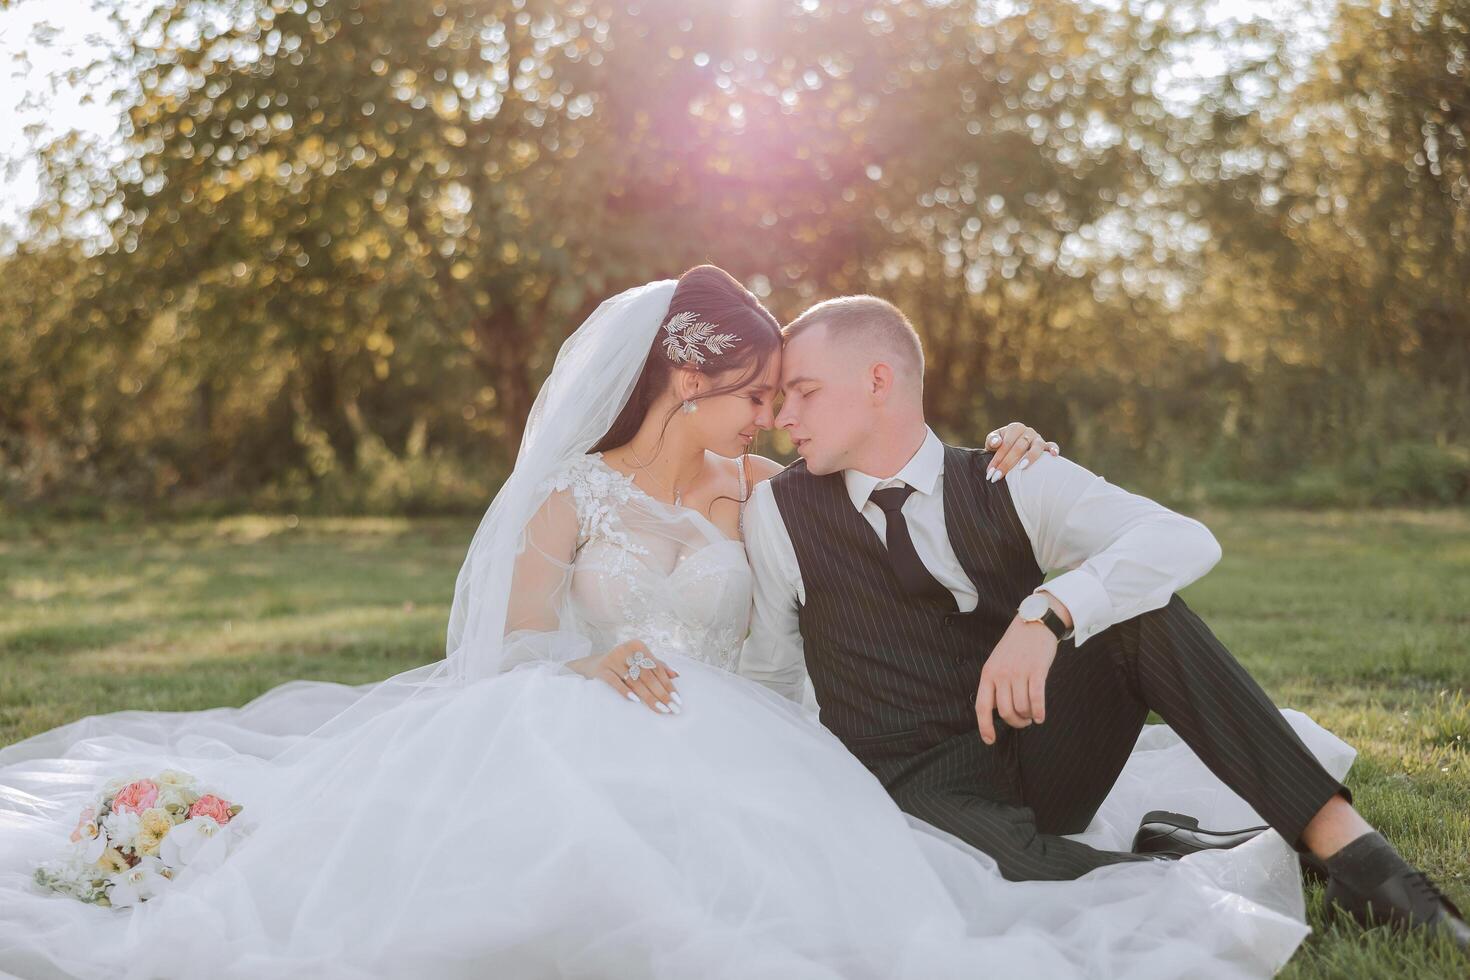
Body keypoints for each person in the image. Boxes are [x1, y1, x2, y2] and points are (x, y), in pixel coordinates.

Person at [0, 268, 1351, 978]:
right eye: (756, 390)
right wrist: (595, 657)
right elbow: (512, 647)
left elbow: (878, 496)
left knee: (889, 858)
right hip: (629, 709)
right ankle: (1147, 853)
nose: (771, 414)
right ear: (687, 379)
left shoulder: (765, 488)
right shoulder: (568, 505)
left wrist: (1016, 479)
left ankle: (1281, 845)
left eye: (784, 393)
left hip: (772, 726)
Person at [738, 293, 1468, 949]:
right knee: (1052, 892)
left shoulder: (1011, 473)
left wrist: (1048, 612)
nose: (782, 418)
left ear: (877, 381)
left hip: (1041, 751)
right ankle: (1177, 854)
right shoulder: (780, 511)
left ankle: (1362, 862)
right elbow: (769, 676)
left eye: (803, 392)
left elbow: (1184, 539)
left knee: (1140, 617)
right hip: (919, 790)